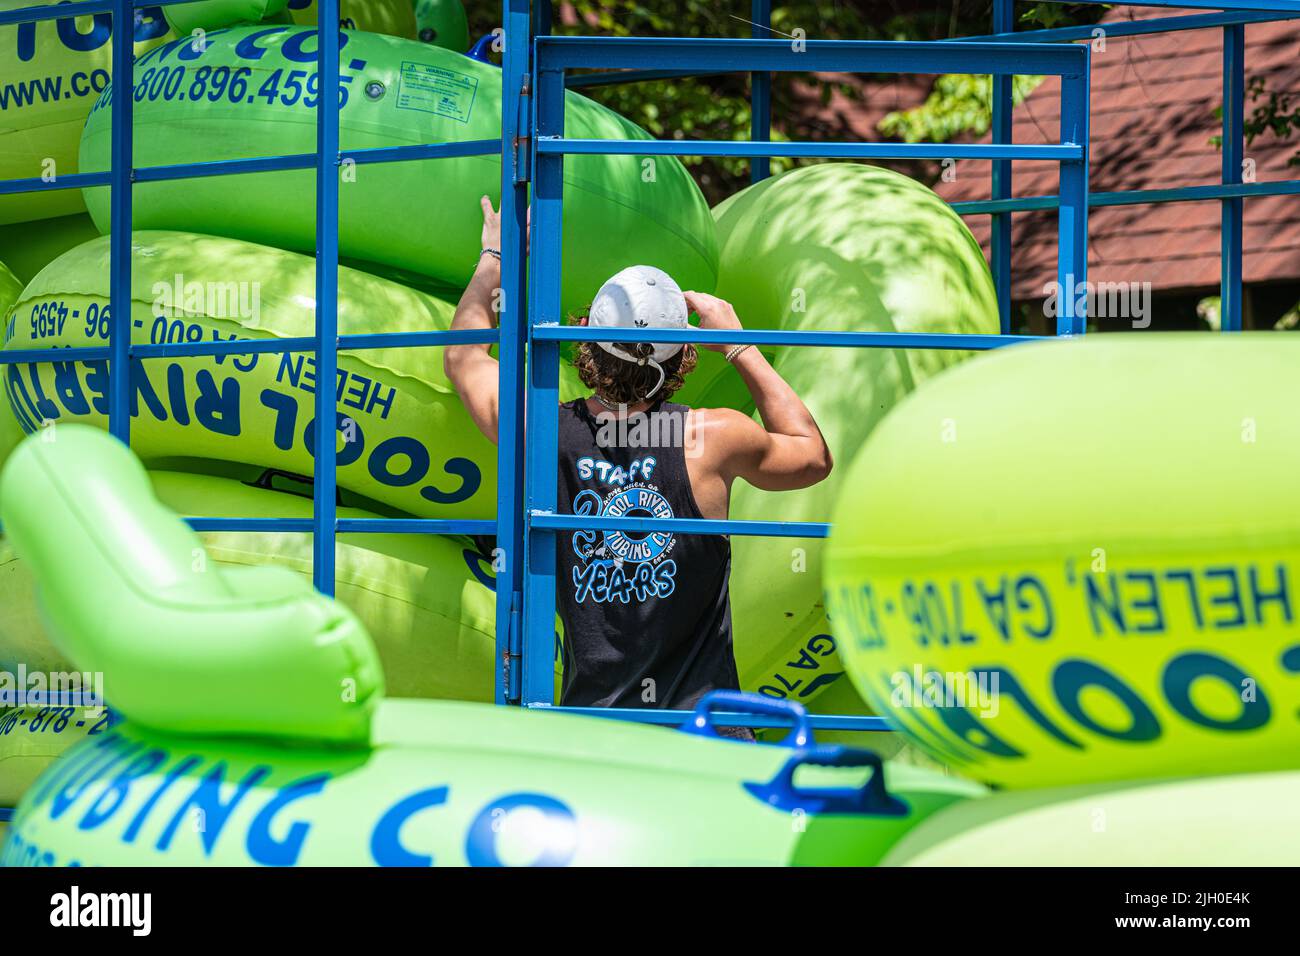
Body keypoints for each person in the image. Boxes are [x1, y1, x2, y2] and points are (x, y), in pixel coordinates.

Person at [445, 197, 833, 739]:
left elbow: (464, 358)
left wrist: (495, 257)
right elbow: (811, 453)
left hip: (597, 734)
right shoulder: (713, 437)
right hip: (709, 736)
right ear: (684, 356)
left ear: (587, 341)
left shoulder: (540, 431)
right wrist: (739, 344)